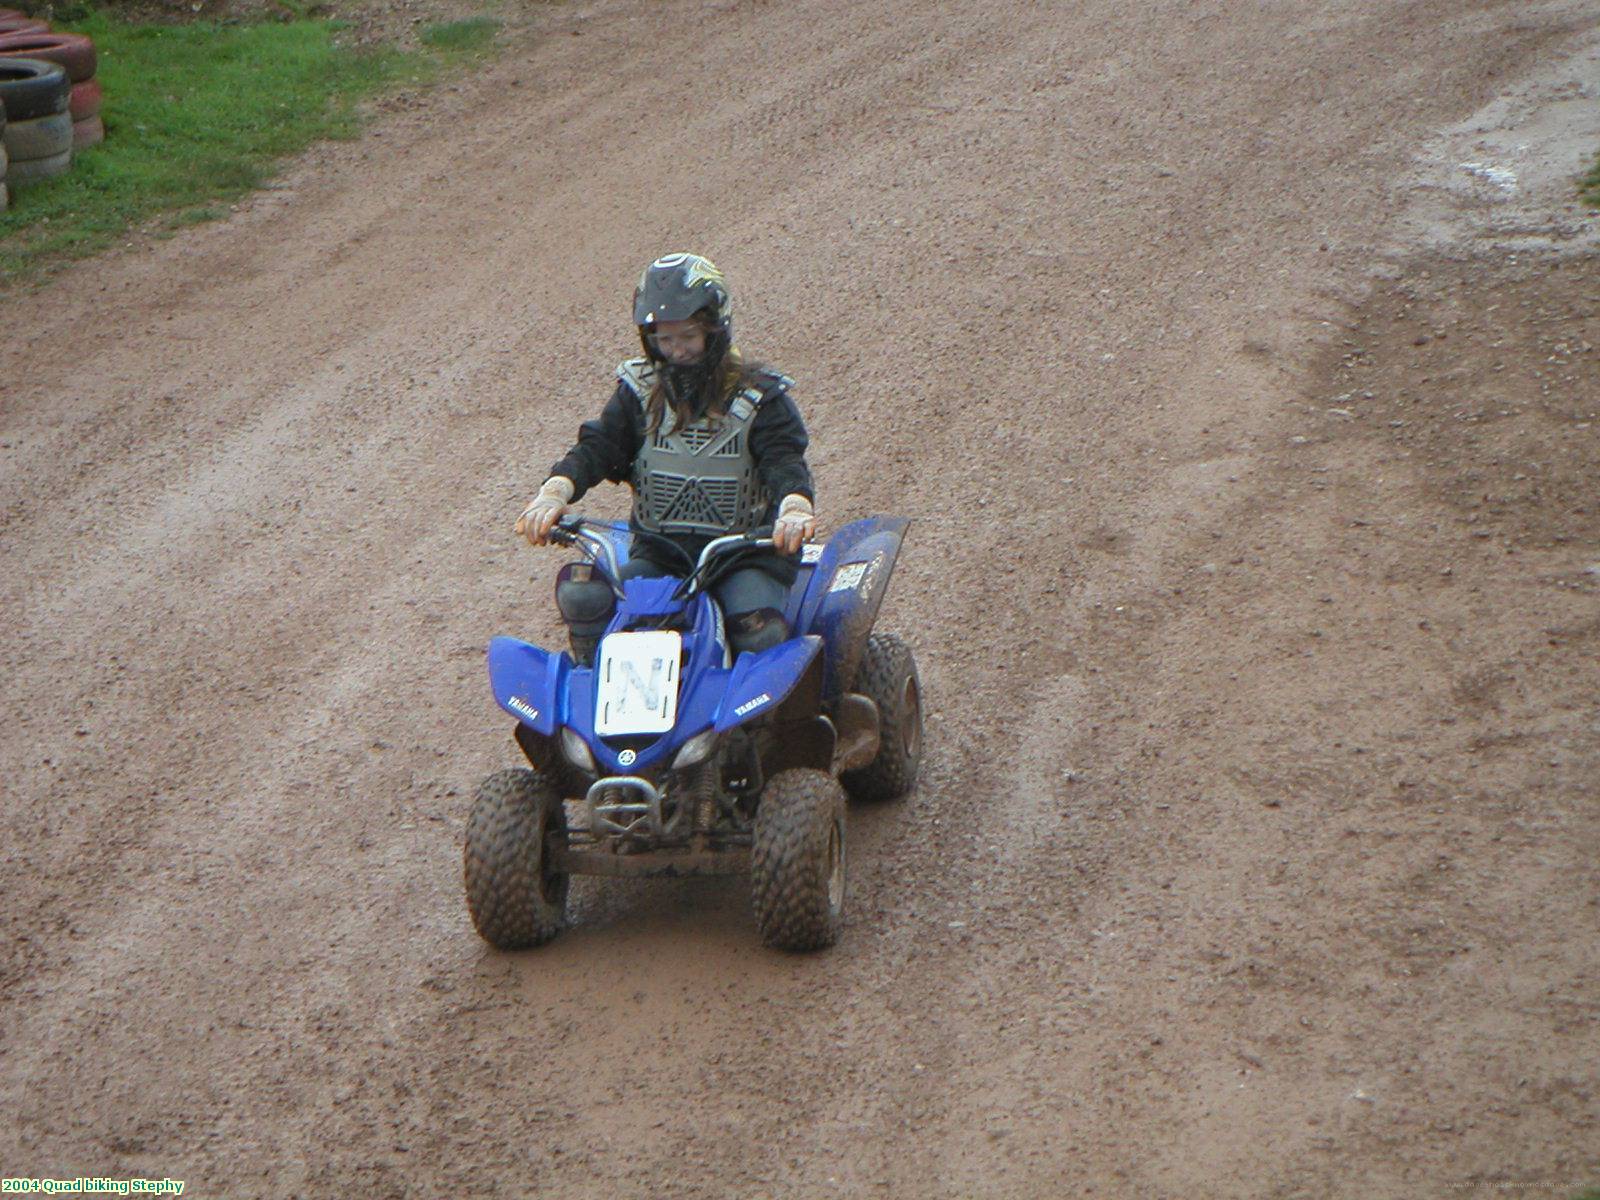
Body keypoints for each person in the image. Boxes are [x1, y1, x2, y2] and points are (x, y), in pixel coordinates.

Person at [515, 252, 817, 660]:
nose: (678, 351)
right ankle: (593, 684)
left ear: (714, 328)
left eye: (689, 337)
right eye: (665, 340)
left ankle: (769, 724)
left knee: (756, 630)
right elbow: (599, 446)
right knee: (586, 596)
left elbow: (784, 461)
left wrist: (794, 508)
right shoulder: (639, 392)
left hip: (746, 555)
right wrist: (553, 493)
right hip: (661, 551)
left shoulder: (761, 396)